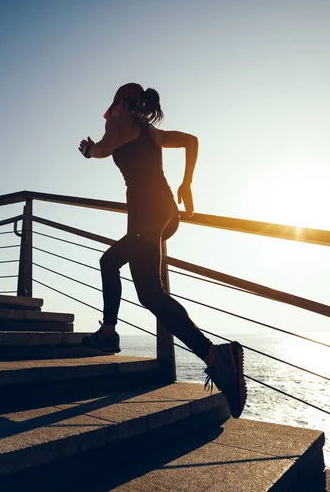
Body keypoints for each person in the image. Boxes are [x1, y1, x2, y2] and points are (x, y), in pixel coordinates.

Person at [78, 83, 246, 418]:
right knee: (110, 261)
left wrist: (87, 149)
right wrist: (187, 184)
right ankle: (109, 333)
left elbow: (101, 149)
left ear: (121, 103)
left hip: (145, 213)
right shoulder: (149, 130)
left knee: (150, 294)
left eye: (112, 104)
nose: (109, 112)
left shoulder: (118, 123)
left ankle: (217, 357)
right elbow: (192, 141)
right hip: (166, 212)